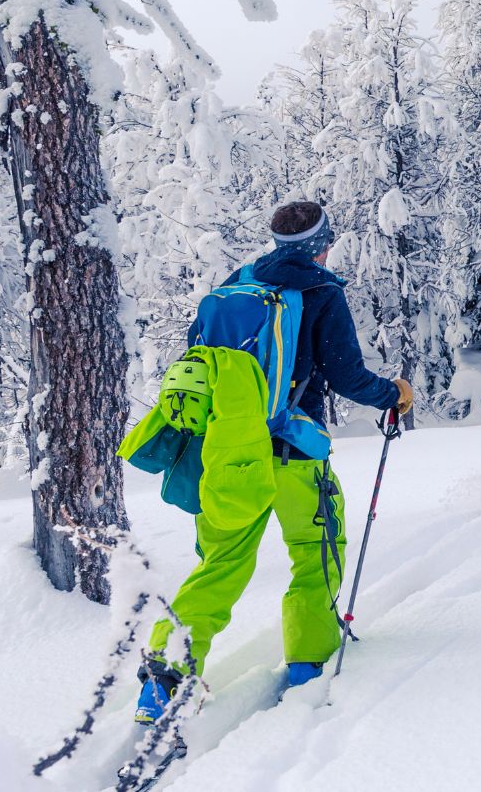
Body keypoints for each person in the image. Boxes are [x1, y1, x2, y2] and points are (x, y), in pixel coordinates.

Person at [123, 202, 414, 723]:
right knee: (315, 549)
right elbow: (347, 375)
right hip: (294, 454)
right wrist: (392, 393)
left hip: (229, 455)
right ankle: (308, 660)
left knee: (219, 566)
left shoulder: (237, 284)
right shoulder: (323, 292)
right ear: (321, 245)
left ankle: (162, 681)